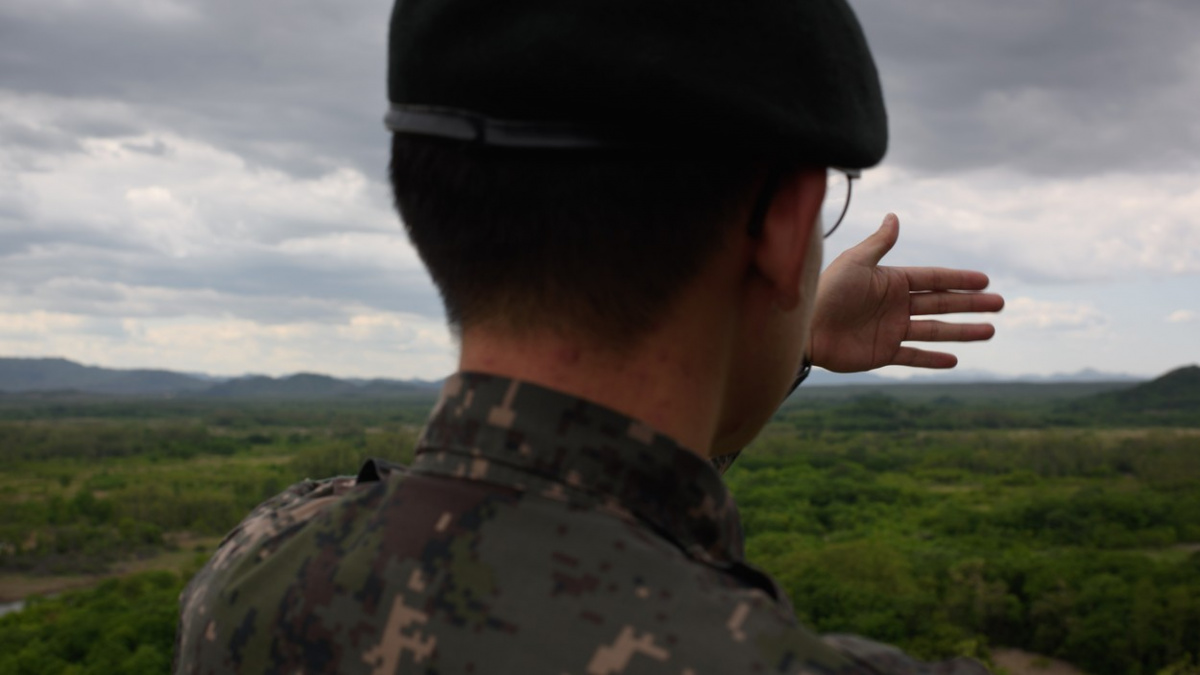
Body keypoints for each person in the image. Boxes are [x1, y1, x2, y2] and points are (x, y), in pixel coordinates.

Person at [174, 0, 1004, 672]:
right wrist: (776, 335)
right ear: (787, 222)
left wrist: (783, 335)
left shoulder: (254, 572)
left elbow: (564, 501)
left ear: (429, 203)